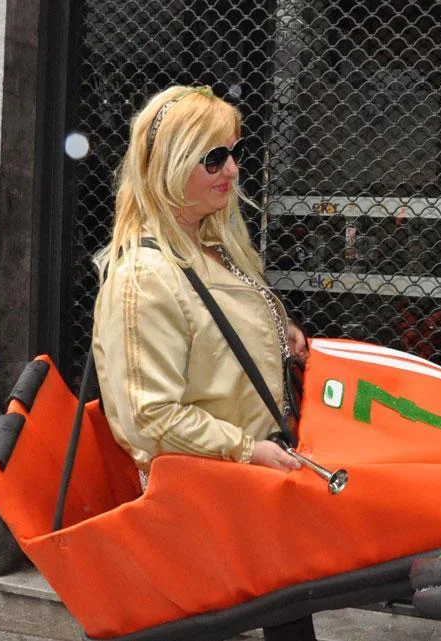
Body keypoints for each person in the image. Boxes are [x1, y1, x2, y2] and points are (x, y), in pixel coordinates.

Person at [91, 85, 307, 476]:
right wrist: (247, 450)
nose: (233, 169)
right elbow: (150, 418)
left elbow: (211, 337)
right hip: (207, 492)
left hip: (242, 475)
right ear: (171, 163)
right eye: (214, 158)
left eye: (236, 152)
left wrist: (277, 329)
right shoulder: (144, 277)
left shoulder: (205, 245)